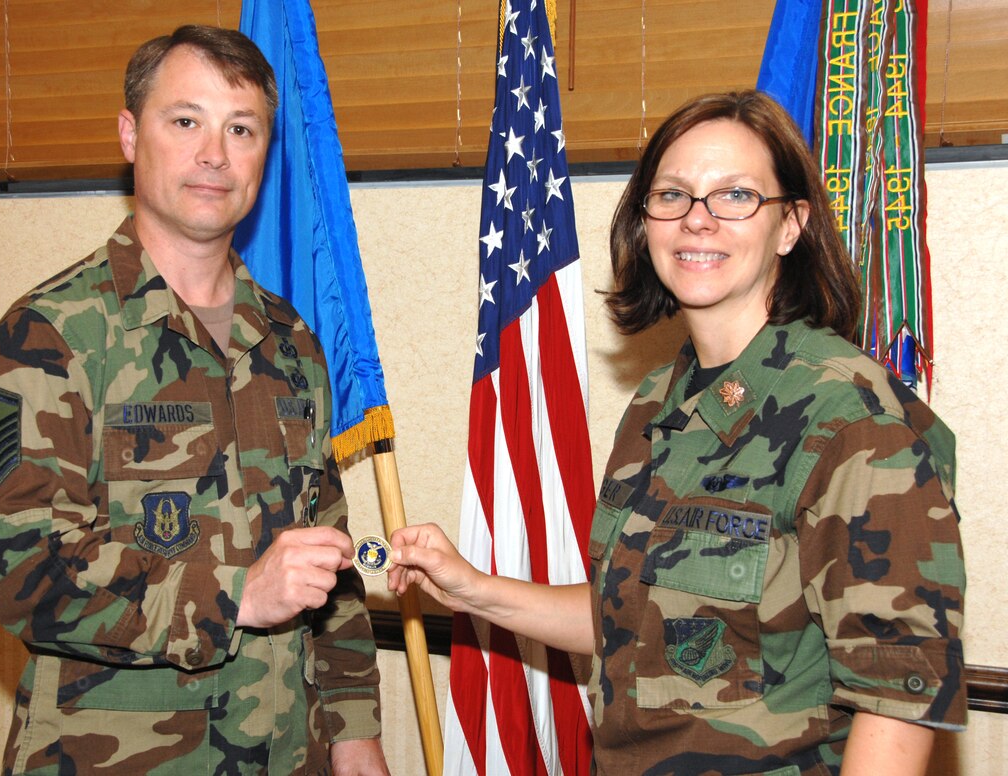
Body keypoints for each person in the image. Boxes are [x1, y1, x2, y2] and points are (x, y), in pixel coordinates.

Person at [388, 90, 966, 775]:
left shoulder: (853, 420)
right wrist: (471, 587)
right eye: (672, 195)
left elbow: (898, 703)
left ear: (790, 225)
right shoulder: (658, 400)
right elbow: (625, 618)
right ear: (645, 222)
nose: (698, 219)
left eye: (736, 195)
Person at [0, 25, 389, 775]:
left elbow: (327, 554)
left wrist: (354, 730)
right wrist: (234, 596)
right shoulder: (49, 337)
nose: (215, 154)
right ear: (131, 135)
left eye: (241, 129)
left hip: (288, 753)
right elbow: (21, 568)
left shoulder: (292, 342)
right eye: (186, 121)